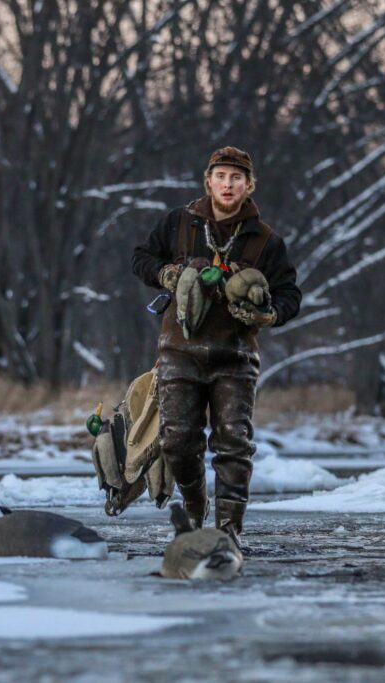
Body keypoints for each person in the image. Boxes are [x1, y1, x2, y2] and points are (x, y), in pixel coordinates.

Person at [132, 146, 301, 538]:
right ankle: (195, 506)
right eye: (221, 176)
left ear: (249, 185)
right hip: (178, 352)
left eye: (236, 178)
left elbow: (290, 293)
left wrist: (269, 314)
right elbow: (140, 257)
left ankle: (229, 531)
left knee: (234, 445)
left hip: (236, 358)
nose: (228, 184)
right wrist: (166, 274)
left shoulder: (266, 241)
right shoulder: (178, 223)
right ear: (208, 181)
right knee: (176, 441)